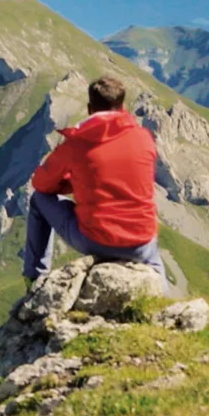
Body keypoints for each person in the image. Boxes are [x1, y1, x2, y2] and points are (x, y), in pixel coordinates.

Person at [22, 75, 165, 281]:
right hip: (141, 241)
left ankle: (35, 276)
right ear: (123, 106)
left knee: (38, 200)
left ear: (90, 109)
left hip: (95, 240)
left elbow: (41, 184)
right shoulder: (144, 138)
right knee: (158, 276)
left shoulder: (76, 144)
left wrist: (72, 182)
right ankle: (161, 298)